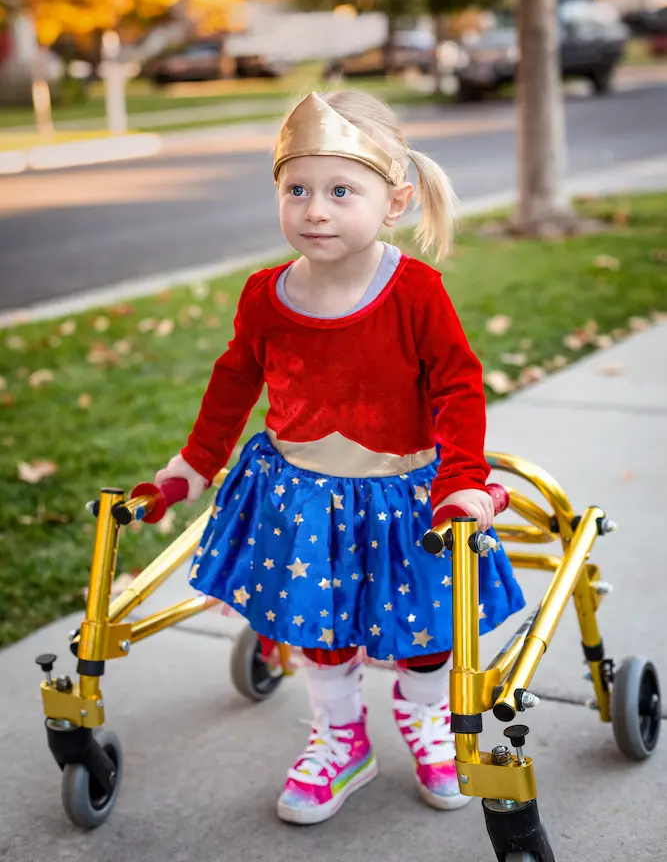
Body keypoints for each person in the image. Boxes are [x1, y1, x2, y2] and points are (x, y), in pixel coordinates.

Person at [155, 89, 525, 825]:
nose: (315, 211)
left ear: (394, 202)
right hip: (302, 497)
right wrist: (195, 462)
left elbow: (457, 385)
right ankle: (341, 737)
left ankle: (427, 720)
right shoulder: (265, 295)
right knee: (317, 623)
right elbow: (234, 380)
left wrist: (461, 480)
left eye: (339, 191)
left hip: (403, 497)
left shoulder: (414, 291)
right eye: (296, 190)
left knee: (424, 627)